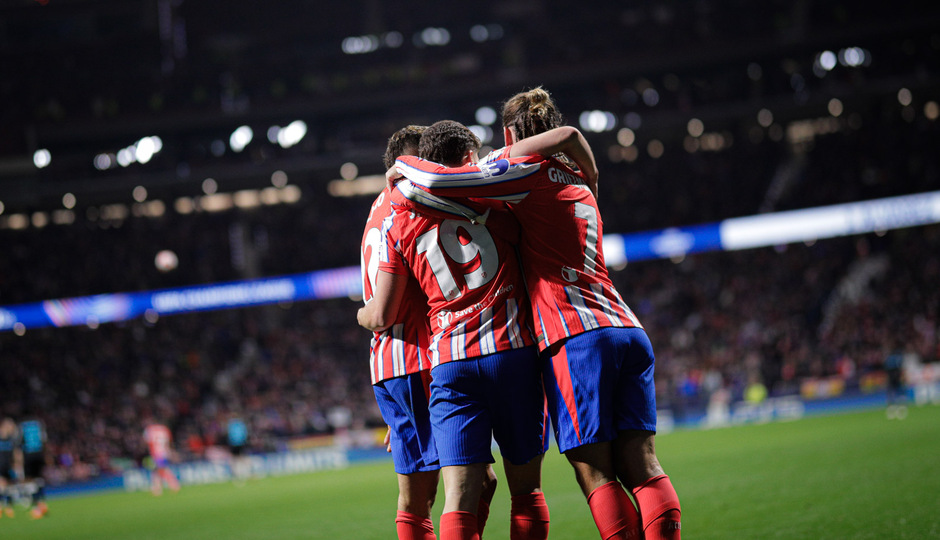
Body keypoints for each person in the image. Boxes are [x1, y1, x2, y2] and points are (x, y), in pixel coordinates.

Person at [389, 88, 681, 540]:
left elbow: (434, 189)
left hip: (560, 338)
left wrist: (397, 168)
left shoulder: (499, 183)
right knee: (641, 467)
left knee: (586, 477)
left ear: (509, 134)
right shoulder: (573, 180)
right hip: (616, 326)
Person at [360, 120, 551, 540]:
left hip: (444, 361)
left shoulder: (394, 215)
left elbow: (384, 304)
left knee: (459, 497)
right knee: (526, 490)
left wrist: (363, 315)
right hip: (504, 350)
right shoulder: (497, 199)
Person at [16, 418, 49, 519]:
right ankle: (42, 504)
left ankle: (36, 507)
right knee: (39, 479)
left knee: (30, 480)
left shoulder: (22, 425)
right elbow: (44, 440)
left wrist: (19, 459)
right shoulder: (39, 424)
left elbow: (19, 443)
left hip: (28, 455)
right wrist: (45, 455)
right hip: (39, 454)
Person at [143, 420, 180, 496]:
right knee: (156, 470)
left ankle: (173, 483)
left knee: (160, 469)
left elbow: (146, 441)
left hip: (156, 453)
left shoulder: (149, 430)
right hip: (164, 452)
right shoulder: (164, 429)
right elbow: (169, 441)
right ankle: (157, 488)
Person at [0, 418, 16, 518]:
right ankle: (2, 506)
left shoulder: (10, 440)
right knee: (2, 485)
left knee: (8, 487)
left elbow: (13, 454)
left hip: (8, 466)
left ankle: (9, 507)